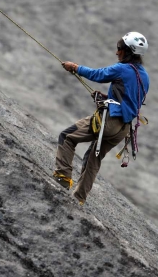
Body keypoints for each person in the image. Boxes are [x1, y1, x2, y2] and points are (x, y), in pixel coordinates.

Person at [53, 32, 150, 205]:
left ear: (128, 51)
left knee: (67, 137)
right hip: (124, 128)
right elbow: (129, 99)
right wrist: (110, 97)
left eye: (119, 48)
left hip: (110, 121)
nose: (116, 52)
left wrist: (74, 67)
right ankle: (79, 198)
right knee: (94, 157)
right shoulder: (144, 76)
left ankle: (62, 178)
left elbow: (98, 74)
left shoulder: (122, 69)